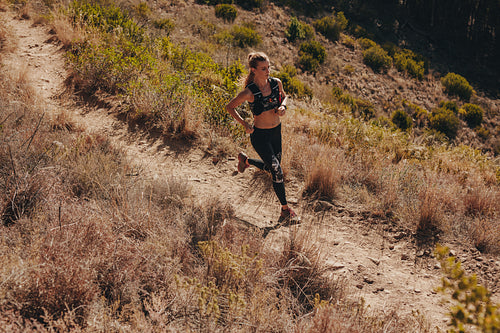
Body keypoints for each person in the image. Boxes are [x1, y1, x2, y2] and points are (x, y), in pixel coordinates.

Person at [226, 52, 298, 223]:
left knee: (272, 168)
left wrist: (282, 106)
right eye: (263, 68)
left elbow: (285, 96)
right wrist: (244, 124)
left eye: (269, 67)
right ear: (253, 70)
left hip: (276, 133)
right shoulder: (249, 92)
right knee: (277, 171)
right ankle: (285, 211)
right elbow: (230, 107)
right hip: (260, 136)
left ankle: (246, 161)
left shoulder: (276, 83)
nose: (268, 71)